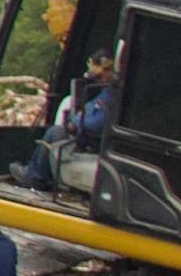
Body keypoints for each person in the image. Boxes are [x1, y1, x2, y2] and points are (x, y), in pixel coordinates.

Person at [18, 53, 117, 194]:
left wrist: (75, 122)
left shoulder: (114, 94)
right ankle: (36, 173)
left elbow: (95, 123)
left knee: (56, 132)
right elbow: (91, 107)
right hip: (92, 135)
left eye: (100, 77)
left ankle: (35, 177)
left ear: (109, 71)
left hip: (97, 140)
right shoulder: (107, 91)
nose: (98, 81)